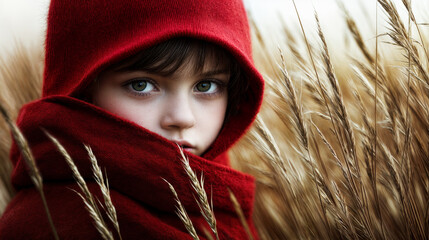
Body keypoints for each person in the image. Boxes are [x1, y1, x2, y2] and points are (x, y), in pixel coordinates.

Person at [0, 0, 264, 239]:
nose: (183, 118)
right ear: (82, 90)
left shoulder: (224, 204)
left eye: (206, 86)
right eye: (141, 85)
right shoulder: (48, 223)